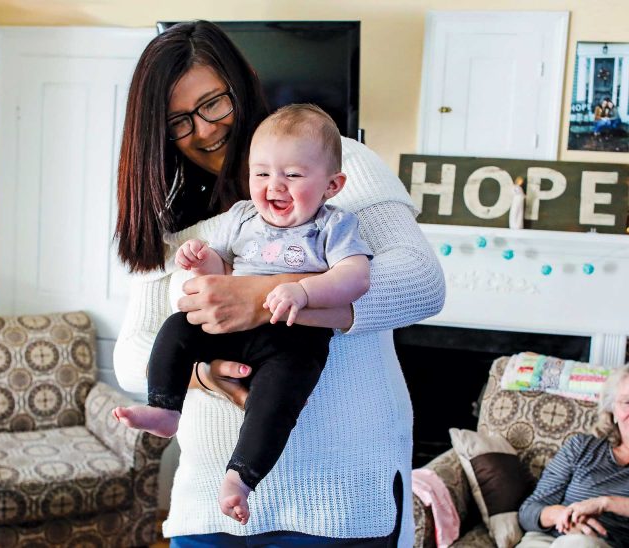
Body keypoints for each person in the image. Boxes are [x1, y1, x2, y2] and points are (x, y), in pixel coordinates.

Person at [113, 20, 445, 546]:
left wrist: (262, 301)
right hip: (210, 505)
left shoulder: (337, 162)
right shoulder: (176, 219)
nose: (203, 130)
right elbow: (132, 354)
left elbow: (421, 282)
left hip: (341, 496)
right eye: (179, 120)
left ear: (240, 86)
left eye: (213, 104)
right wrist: (204, 373)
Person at [113, 104, 372, 526]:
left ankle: (241, 477)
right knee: (179, 326)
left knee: (277, 399)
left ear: (332, 185)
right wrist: (201, 261)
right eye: (262, 173)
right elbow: (223, 274)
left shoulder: (334, 225)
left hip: (292, 337)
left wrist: (303, 291)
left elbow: (356, 277)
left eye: (293, 175)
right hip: (232, 331)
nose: (275, 186)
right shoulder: (242, 217)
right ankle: (165, 407)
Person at [516, 365, 629, 548]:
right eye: (627, 402)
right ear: (613, 411)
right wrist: (561, 515)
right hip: (546, 540)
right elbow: (528, 512)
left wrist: (606, 503)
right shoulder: (581, 447)